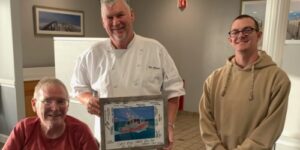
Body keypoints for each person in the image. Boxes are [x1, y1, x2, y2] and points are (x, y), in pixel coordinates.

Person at [70, 0, 185, 149]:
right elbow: (78, 87)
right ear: (103, 22)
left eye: (120, 15)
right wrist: (87, 100)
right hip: (109, 141)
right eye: (109, 18)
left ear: (132, 15)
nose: (115, 22)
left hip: (148, 140)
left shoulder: (155, 49)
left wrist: (169, 125)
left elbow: (173, 92)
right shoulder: (92, 54)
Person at [199, 14, 291, 150]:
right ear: (230, 39)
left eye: (247, 30)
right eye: (235, 32)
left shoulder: (278, 79)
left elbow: (270, 128)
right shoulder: (213, 79)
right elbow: (205, 121)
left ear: (259, 36)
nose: (241, 35)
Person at [3, 77, 99, 150]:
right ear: (34, 104)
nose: (55, 108)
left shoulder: (81, 132)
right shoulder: (24, 129)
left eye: (61, 101)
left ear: (67, 105)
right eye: (47, 101)